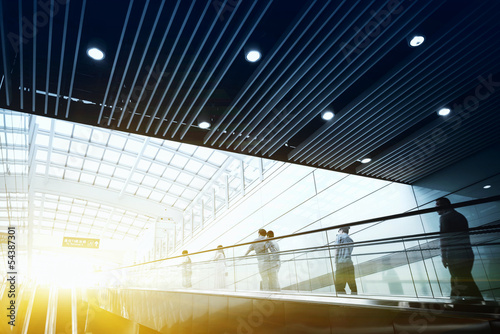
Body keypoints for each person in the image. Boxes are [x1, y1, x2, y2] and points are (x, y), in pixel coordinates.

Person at [436, 197, 483, 301]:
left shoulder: (445, 217)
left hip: (455, 256)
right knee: (464, 279)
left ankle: (458, 304)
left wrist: (443, 257)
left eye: (437, 206)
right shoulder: (460, 216)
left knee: (459, 280)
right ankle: (463, 303)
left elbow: (444, 239)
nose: (435, 209)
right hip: (467, 254)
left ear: (444, 205)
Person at [334, 226, 357, 295]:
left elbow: (336, 250)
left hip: (341, 263)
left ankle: (343, 301)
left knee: (339, 285)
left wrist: (335, 261)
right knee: (351, 282)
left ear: (341, 230)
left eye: (339, 231)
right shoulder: (351, 240)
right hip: (349, 263)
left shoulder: (339, 237)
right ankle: (356, 300)